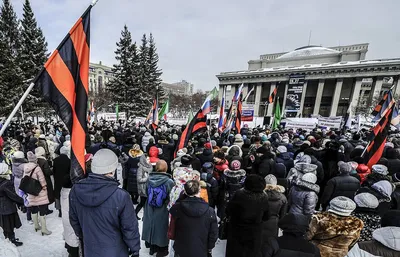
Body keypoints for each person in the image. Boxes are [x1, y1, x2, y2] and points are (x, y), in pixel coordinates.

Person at [69, 149, 140, 257]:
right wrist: (135, 248)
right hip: (116, 250)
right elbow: (129, 227)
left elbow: (74, 220)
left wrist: (85, 236)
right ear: (112, 171)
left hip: (90, 248)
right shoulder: (121, 196)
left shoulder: (75, 190)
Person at [170, 180, 218, 257]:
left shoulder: (177, 208)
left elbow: (172, 225)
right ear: (199, 191)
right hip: (201, 249)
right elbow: (213, 233)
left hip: (181, 249)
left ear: (184, 191)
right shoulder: (209, 211)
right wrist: (209, 247)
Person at [225, 174, 270, 257]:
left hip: (237, 230)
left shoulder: (239, 194)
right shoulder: (264, 197)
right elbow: (266, 216)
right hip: (254, 232)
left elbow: (228, 210)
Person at [142, 160, 175, 257]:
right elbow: (171, 196)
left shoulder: (149, 179)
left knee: (150, 225)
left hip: (149, 206)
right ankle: (162, 249)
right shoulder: (169, 181)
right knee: (161, 227)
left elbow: (145, 192)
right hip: (163, 207)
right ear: (166, 168)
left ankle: (152, 247)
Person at [23, 151, 52, 236]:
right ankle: (44, 229)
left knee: (34, 209)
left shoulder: (25, 167)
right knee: (42, 209)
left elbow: (24, 179)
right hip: (39, 191)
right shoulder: (37, 168)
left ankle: (36, 226)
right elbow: (42, 180)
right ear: (35, 160)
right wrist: (44, 187)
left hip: (30, 191)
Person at [0, 162, 24, 246]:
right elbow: (13, 195)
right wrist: (21, 201)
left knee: (5, 224)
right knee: (9, 224)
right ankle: (12, 240)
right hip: (7, 207)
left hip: (2, 207)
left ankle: (8, 238)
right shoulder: (6, 183)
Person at [263, 174, 287, 239]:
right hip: (274, 223)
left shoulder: (260, 195)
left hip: (261, 221)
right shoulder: (282, 198)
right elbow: (283, 214)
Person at [35, 146, 55, 213]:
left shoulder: (34, 160)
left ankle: (41, 208)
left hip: (36, 179)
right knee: (46, 194)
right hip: (45, 179)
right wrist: (52, 170)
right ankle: (46, 209)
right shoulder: (43, 161)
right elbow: (47, 172)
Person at [53, 146, 71, 218]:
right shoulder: (69, 161)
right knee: (65, 196)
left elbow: (53, 171)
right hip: (66, 181)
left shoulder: (55, 160)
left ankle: (59, 211)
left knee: (57, 195)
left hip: (57, 180)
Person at [135, 154, 153, 218]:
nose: (149, 160)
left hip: (148, 187)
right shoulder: (141, 167)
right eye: (147, 159)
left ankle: (145, 217)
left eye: (149, 159)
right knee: (142, 203)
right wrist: (147, 179)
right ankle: (135, 214)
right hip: (143, 188)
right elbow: (139, 179)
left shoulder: (150, 166)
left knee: (146, 203)